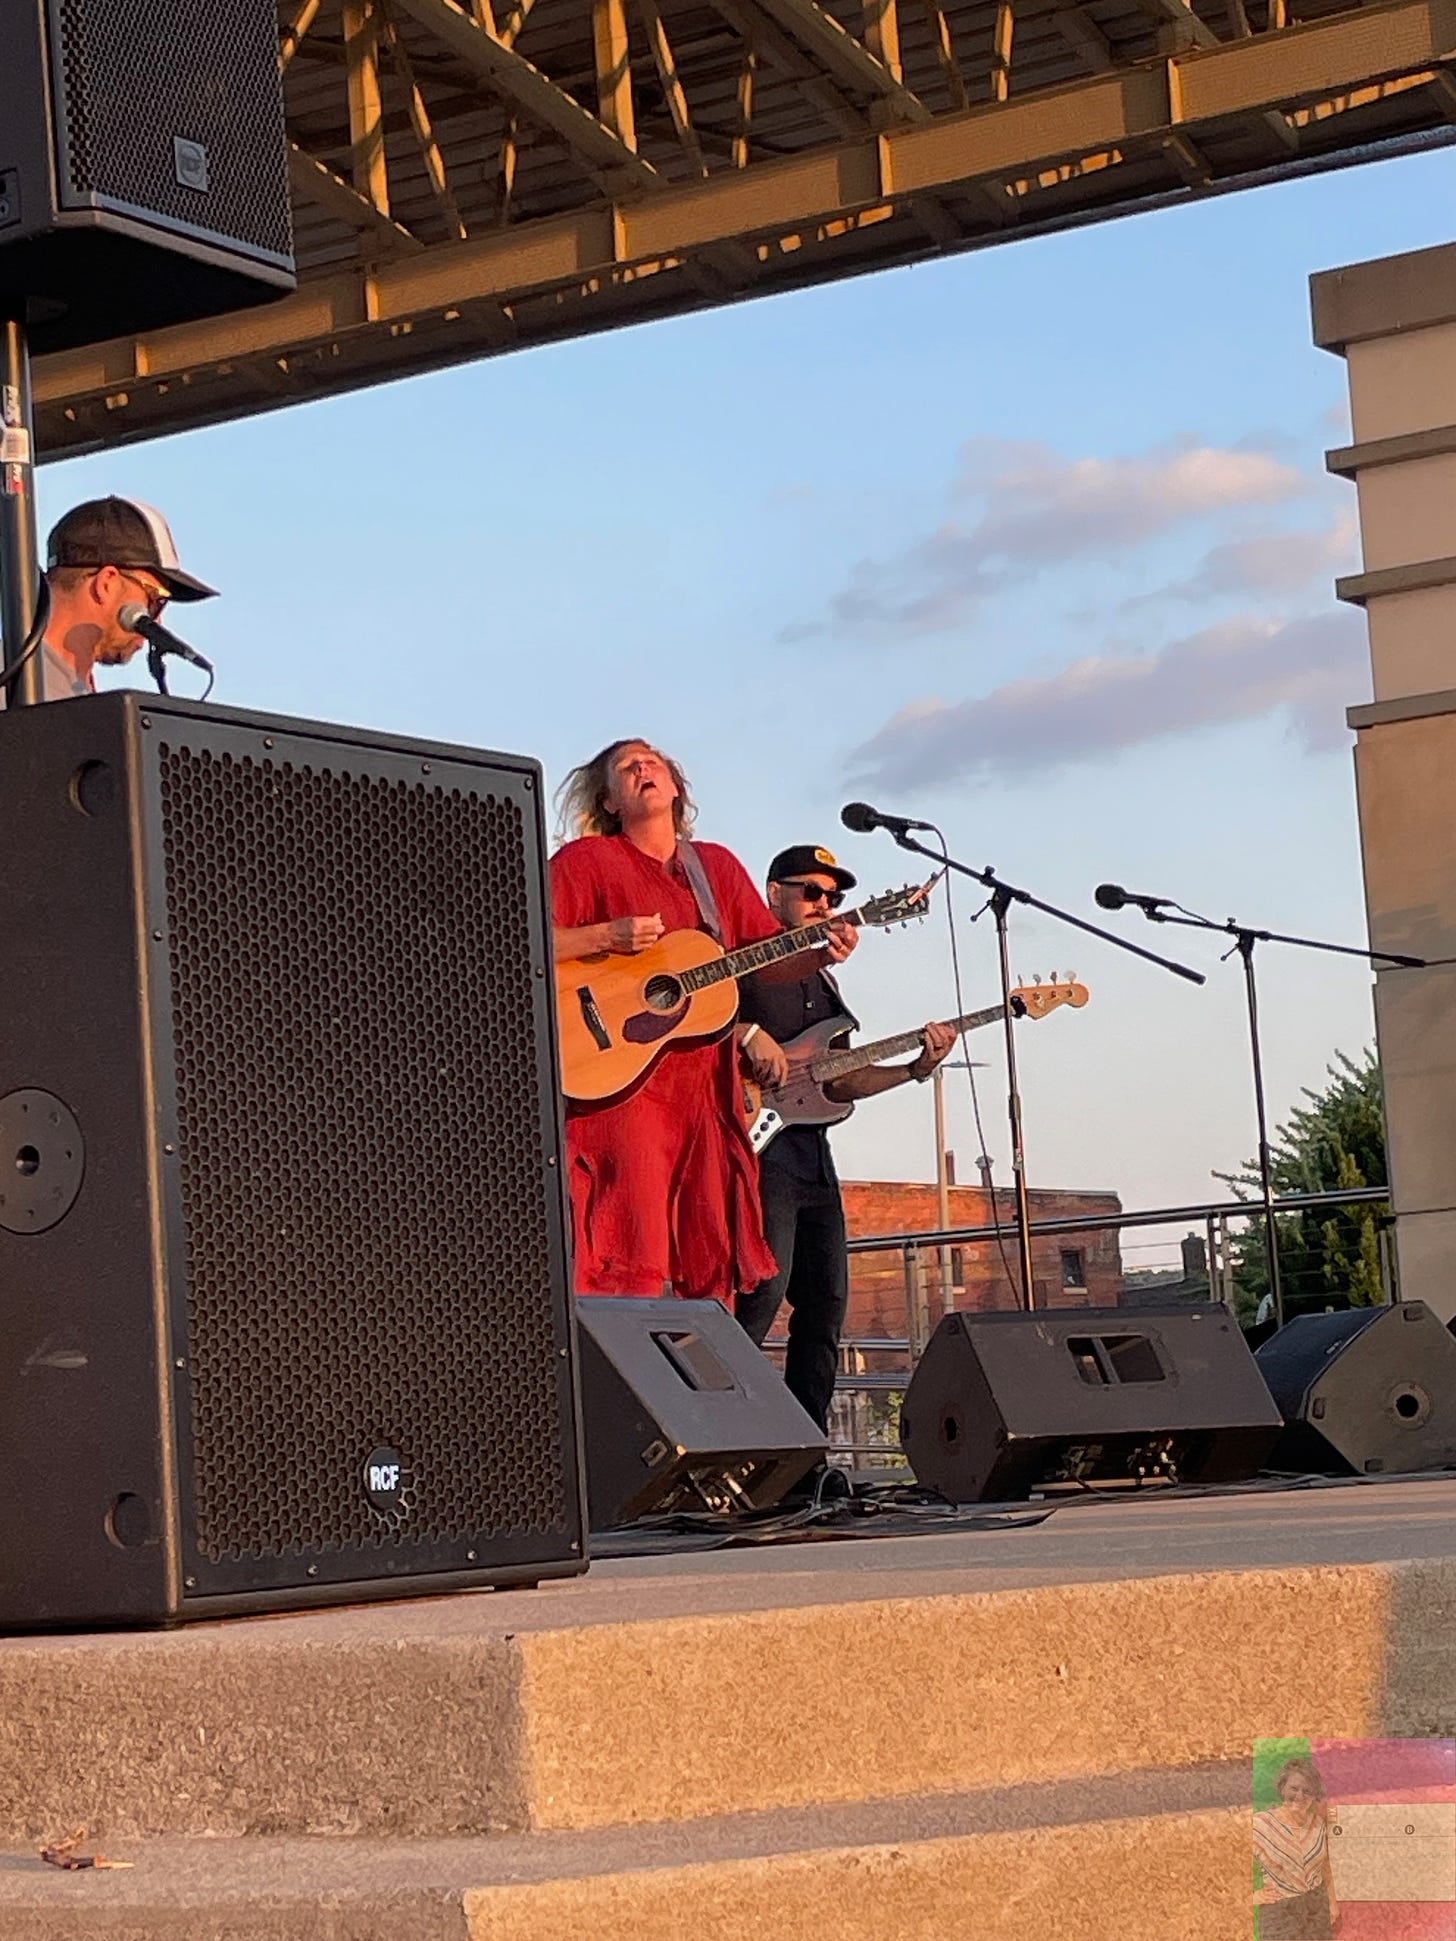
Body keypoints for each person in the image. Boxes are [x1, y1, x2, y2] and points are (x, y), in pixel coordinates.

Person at [550, 743, 854, 1305]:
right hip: (620, 1094)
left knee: (708, 1276)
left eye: (653, 762)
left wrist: (820, 953)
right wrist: (605, 936)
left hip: (702, 1098)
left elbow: (767, 956)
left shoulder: (713, 868)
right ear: (608, 800)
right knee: (626, 1258)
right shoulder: (585, 862)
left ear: (676, 788)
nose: (644, 768)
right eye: (627, 767)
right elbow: (514, 941)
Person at [733, 846, 956, 1431]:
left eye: (833, 897)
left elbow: (840, 1076)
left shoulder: (824, 982)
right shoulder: (745, 960)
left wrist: (916, 1066)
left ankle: (803, 1450)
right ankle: (714, 1433)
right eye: (811, 892)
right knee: (758, 1297)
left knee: (826, 1305)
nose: (824, 904)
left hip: (813, 1155)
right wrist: (745, 1032)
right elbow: (692, 1017)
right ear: (773, 892)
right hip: (759, 1152)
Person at [3, 495, 217, 704]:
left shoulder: (84, 699)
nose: (158, 621)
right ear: (107, 584)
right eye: (155, 600)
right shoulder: (13, 682)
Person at [1253, 1757, 1338, 1938]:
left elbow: (1325, 1866)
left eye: (1307, 1791)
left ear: (1315, 1795)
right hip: (1279, 1914)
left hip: (1317, 1910)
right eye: (1294, 1788)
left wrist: (1332, 1902)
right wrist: (1252, 1896)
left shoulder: (1318, 1823)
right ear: (1282, 1788)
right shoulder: (1260, 1824)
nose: (1299, 1796)